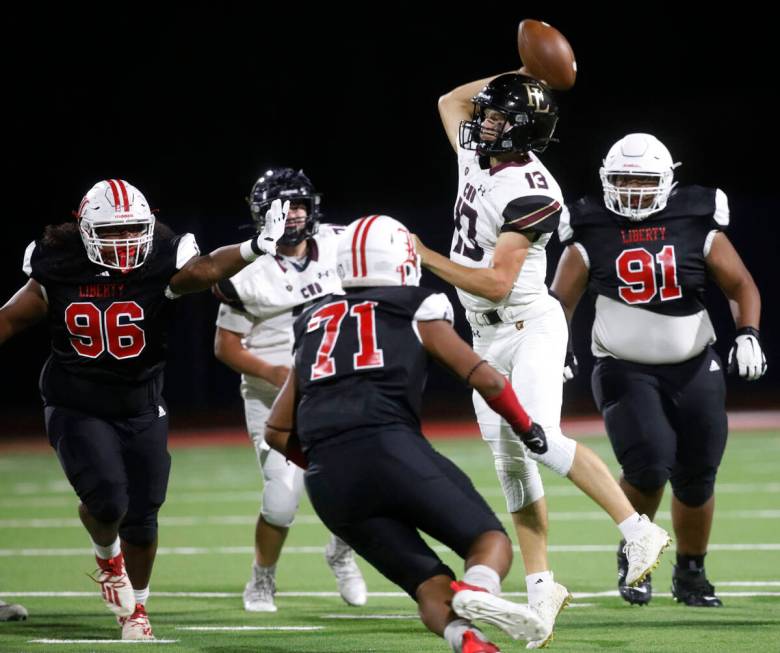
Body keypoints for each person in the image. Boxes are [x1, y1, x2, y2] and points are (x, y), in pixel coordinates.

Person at [414, 71, 670, 644]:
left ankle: (637, 529)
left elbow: (499, 283)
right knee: (512, 470)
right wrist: (525, 74)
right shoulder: (478, 151)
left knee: (538, 433)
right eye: (488, 115)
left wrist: (425, 256)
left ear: (523, 130)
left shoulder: (533, 190)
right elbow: (448, 99)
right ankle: (540, 589)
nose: (483, 123)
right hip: (484, 337)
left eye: (499, 118)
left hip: (528, 325)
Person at [0, 179, 286, 640]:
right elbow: (11, 316)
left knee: (145, 513)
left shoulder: (162, 256)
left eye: (132, 228)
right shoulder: (59, 262)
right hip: (77, 401)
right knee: (109, 499)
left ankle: (137, 608)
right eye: (111, 232)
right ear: (85, 229)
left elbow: (205, 270)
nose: (124, 241)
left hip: (141, 402)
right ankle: (108, 560)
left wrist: (255, 248)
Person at [265, 213, 552, 653]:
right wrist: (526, 426)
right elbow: (487, 379)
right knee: (488, 542)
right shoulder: (417, 306)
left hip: (328, 481)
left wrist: (328, 462)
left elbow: (276, 430)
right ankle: (479, 590)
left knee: (427, 584)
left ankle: (468, 640)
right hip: (389, 448)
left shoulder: (312, 319)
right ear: (401, 258)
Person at [551, 132, 767, 607]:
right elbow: (558, 304)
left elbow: (740, 284)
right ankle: (637, 552)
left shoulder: (696, 216)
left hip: (694, 364)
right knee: (648, 465)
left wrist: (748, 332)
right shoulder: (588, 224)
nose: (632, 188)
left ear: (668, 181)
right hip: (623, 367)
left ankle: (691, 572)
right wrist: (556, 350)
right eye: (623, 178)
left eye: (643, 179)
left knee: (697, 476)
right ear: (607, 178)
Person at [213, 168, 367, 612]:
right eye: (282, 207)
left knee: (359, 483)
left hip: (335, 389)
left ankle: (341, 553)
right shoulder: (247, 270)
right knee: (281, 499)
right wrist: (278, 374)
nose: (293, 215)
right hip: (271, 395)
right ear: (262, 215)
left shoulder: (340, 245)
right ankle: (262, 580)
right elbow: (225, 346)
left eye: (298, 204)